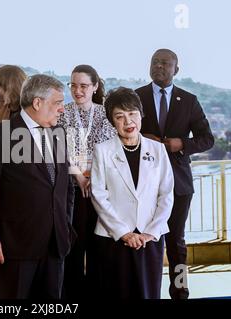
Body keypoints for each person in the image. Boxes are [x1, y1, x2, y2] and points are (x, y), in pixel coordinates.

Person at [0, 74, 75, 299]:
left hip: (55, 243)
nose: (62, 109)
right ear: (37, 103)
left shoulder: (58, 133)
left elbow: (65, 186)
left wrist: (66, 226)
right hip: (16, 245)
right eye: (58, 103)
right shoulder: (0, 135)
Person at [136, 49, 214, 299]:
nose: (159, 66)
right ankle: (146, 290)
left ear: (176, 70)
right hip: (143, 184)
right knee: (145, 241)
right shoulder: (137, 97)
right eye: (155, 62)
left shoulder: (189, 100)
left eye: (165, 63)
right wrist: (139, 138)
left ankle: (180, 290)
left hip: (179, 184)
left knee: (176, 242)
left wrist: (182, 144)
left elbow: (207, 139)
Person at [90, 87, 174, 299]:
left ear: (141, 114)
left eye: (132, 114)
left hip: (150, 237)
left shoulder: (158, 149)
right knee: (116, 293)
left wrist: (151, 232)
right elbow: (99, 195)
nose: (128, 122)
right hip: (114, 238)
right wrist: (124, 233)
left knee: (149, 293)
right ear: (112, 121)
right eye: (120, 116)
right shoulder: (103, 150)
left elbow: (166, 194)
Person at [57, 65, 116, 298]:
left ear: (95, 87)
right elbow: (59, 149)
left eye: (83, 86)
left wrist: (92, 179)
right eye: (73, 85)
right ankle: (71, 296)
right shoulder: (63, 112)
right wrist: (78, 176)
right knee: (72, 244)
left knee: (98, 246)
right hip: (70, 188)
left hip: (100, 189)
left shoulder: (105, 113)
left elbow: (108, 150)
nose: (77, 90)